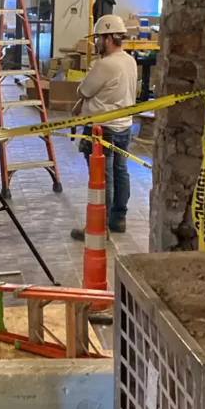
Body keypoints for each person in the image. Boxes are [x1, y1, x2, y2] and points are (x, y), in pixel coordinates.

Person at [70, 14, 137, 241]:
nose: (96, 42)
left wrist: (82, 100)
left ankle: (99, 228)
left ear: (108, 38)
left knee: (102, 177)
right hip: (123, 127)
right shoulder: (130, 60)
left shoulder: (105, 64)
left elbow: (83, 90)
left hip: (102, 129)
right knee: (120, 172)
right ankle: (118, 218)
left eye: (98, 37)